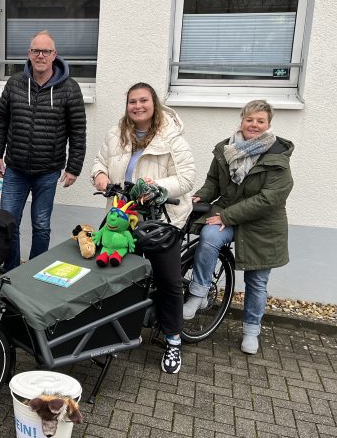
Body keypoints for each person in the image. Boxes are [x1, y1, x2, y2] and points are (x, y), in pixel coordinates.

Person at [90, 82, 195, 374]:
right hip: (123, 216)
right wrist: (99, 175)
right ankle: (111, 331)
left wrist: (158, 186)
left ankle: (173, 339)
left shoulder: (171, 136)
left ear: (154, 104)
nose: (137, 106)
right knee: (106, 272)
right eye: (132, 101)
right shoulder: (117, 133)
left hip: (161, 218)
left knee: (169, 282)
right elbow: (100, 161)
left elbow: (186, 178)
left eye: (143, 101)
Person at [183, 100, 293, 355]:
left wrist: (226, 216)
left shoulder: (278, 157)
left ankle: (251, 330)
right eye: (250, 119)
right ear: (241, 120)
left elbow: (269, 199)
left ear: (268, 124)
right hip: (229, 212)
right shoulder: (226, 149)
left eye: (260, 121)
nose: (254, 125)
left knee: (257, 281)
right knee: (208, 236)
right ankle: (198, 293)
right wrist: (202, 196)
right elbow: (213, 182)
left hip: (263, 224)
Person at [0, 30, 86, 271]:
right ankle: (11, 272)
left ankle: (34, 272)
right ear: (29, 54)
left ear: (54, 55)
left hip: (48, 171)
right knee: (9, 223)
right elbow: (2, 120)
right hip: (16, 169)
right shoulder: (14, 83)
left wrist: (74, 167)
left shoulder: (70, 89)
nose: (40, 55)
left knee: (41, 225)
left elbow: (78, 132)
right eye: (36, 50)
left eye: (45, 51)